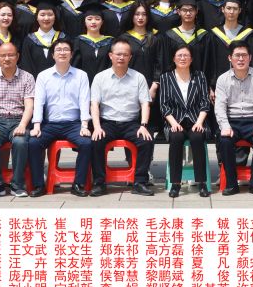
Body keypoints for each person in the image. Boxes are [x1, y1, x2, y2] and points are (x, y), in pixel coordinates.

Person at [89, 39, 154, 196]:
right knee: (96, 141)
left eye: (125, 55)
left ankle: (140, 182)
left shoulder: (138, 77)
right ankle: (99, 183)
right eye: (118, 54)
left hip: (131, 123)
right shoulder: (100, 77)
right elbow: (94, 104)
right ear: (110, 55)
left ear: (130, 57)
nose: (121, 57)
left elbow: (145, 103)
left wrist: (143, 125)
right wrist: (97, 127)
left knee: (146, 141)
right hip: (107, 123)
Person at [28, 39, 93, 197]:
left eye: (66, 49)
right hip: (50, 124)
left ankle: (78, 184)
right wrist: (36, 125)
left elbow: (84, 101)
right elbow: (39, 102)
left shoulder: (81, 75)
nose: (62, 52)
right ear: (53, 55)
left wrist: (84, 125)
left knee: (86, 143)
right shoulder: (43, 76)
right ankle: (38, 185)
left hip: (73, 124)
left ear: (71, 54)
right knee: (33, 143)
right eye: (58, 50)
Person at [214, 40, 253, 196]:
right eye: (237, 55)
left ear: (250, 57)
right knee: (224, 141)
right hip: (231, 120)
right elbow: (219, 106)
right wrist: (225, 126)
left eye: (244, 55)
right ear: (230, 58)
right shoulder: (222, 79)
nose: (241, 59)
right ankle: (231, 184)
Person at [0, 41, 36, 198]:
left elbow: (29, 105)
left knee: (20, 142)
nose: (6, 58)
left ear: (17, 56)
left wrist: (23, 125)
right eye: (3, 55)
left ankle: (17, 184)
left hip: (19, 120)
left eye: (10, 55)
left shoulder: (27, 77)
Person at [159, 45, 212, 198]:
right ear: (174, 58)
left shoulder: (199, 76)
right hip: (175, 121)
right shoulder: (166, 77)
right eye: (179, 55)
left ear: (191, 59)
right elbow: (164, 105)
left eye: (186, 55)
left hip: (196, 120)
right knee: (176, 138)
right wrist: (173, 123)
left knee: (197, 138)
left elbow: (205, 102)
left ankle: (201, 182)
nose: (183, 58)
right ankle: (176, 183)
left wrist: (200, 122)